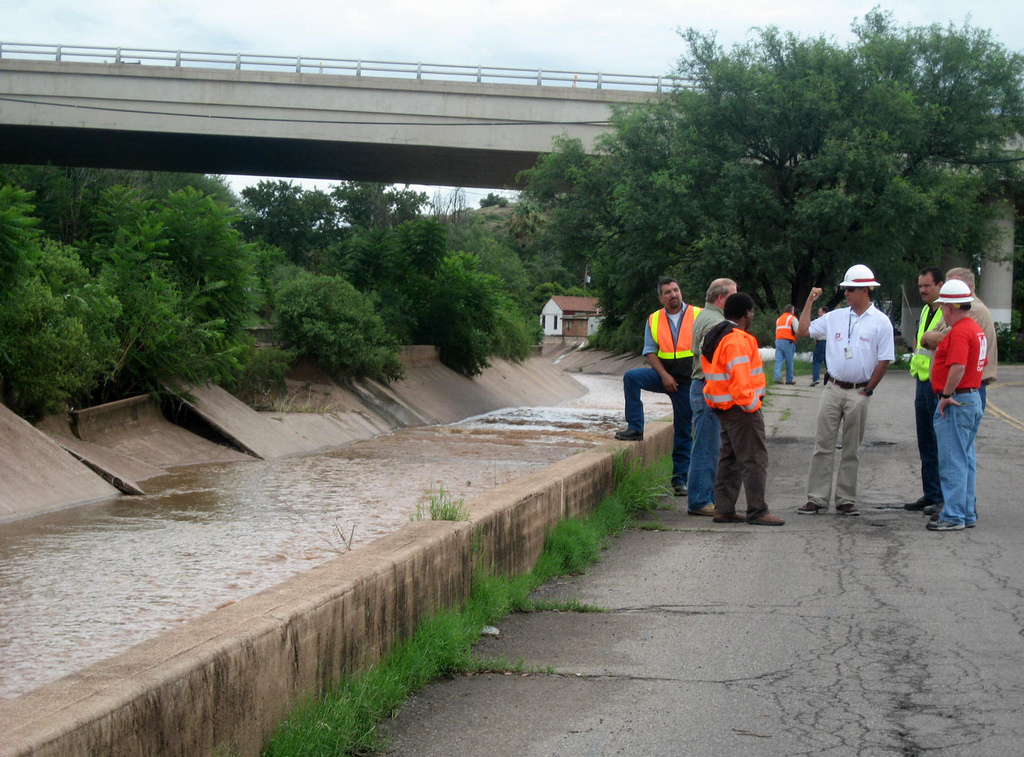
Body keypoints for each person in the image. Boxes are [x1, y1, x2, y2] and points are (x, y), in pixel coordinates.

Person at [795, 264, 895, 516]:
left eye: (850, 289)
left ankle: (845, 499)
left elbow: (884, 359)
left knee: (851, 448)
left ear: (865, 290)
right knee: (823, 445)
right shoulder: (836, 317)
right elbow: (803, 330)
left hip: (858, 391)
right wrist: (809, 301)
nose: (846, 294)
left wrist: (868, 390)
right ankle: (817, 498)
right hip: (833, 387)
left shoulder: (881, 322)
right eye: (845, 289)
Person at [701, 293, 784, 526]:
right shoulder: (738, 339)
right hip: (741, 408)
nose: (753, 315)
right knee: (754, 459)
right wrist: (752, 406)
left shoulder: (718, 334)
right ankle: (758, 511)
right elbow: (739, 379)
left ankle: (724, 509)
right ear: (747, 312)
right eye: (753, 311)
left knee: (730, 459)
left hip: (723, 406)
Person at [614, 277, 701, 497]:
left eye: (676, 290)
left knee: (683, 431)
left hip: (688, 381)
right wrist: (663, 376)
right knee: (632, 377)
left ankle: (680, 480)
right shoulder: (654, 319)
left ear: (681, 292)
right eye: (668, 292)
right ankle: (635, 428)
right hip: (664, 375)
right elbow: (649, 351)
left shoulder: (698, 315)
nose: (674, 294)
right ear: (661, 297)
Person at [927, 279, 987, 531]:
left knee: (952, 460)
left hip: (957, 398)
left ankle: (952, 515)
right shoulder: (973, 327)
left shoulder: (961, 332)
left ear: (949, 307)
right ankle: (965, 511)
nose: (941, 311)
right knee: (965, 458)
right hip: (971, 396)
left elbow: (958, 366)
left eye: (942, 307)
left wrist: (945, 394)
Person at [686, 278, 738, 516]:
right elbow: (713, 359)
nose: (736, 300)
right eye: (733, 295)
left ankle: (706, 498)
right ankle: (699, 501)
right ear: (721, 298)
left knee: (709, 447)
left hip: (702, 387)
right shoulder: (714, 322)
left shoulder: (706, 317)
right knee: (707, 449)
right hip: (708, 390)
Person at [904, 267, 946, 513]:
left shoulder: (946, 312)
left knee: (939, 441)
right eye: (920, 286)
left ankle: (942, 496)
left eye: (927, 286)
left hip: (936, 383)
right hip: (922, 380)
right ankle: (930, 493)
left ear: (940, 285)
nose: (922, 290)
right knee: (926, 441)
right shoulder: (926, 311)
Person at [774, 305, 798, 384]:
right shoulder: (792, 318)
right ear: (792, 311)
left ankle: (777, 377)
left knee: (778, 360)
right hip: (788, 341)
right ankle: (789, 380)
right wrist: (796, 339)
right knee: (789, 361)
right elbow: (797, 330)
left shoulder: (779, 319)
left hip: (778, 340)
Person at [810, 307, 827, 386]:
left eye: (819, 312)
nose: (818, 314)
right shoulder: (832, 320)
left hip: (820, 342)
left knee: (817, 361)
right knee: (828, 362)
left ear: (824, 312)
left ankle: (816, 378)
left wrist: (815, 338)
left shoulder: (820, 321)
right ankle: (829, 379)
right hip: (830, 343)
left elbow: (814, 330)